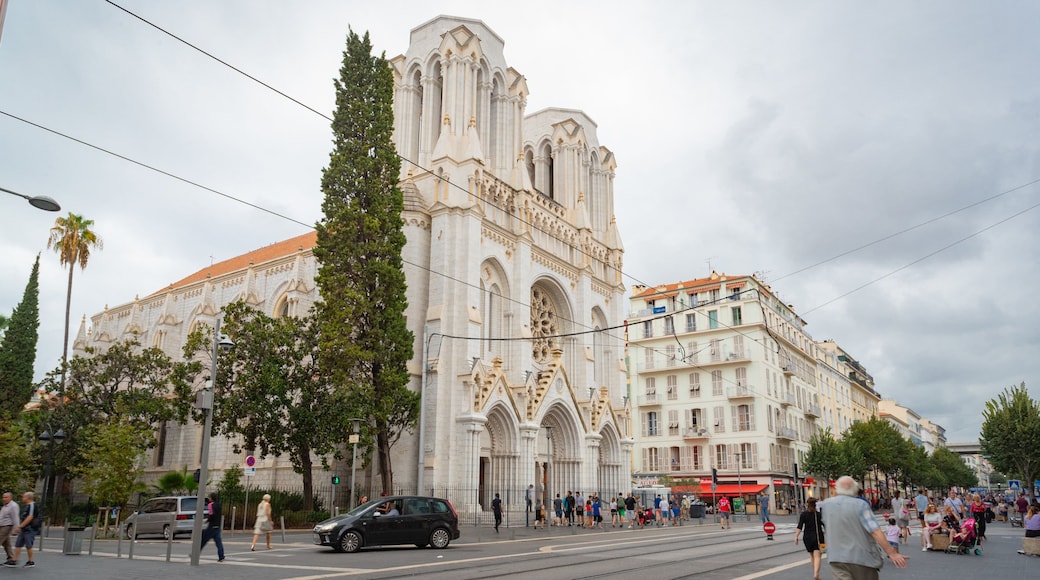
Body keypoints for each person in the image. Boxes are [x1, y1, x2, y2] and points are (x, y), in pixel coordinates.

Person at [821, 476, 907, 579]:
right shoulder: (860, 505)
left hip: (836, 558)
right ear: (855, 489)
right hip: (862, 558)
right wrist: (891, 553)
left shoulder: (826, 505)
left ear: (837, 488)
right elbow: (875, 531)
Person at [794, 497, 825, 580]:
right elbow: (825, 525)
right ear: (815, 505)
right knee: (818, 556)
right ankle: (816, 574)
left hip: (807, 537)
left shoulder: (803, 514)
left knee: (812, 555)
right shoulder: (819, 514)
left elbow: (799, 526)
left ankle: (815, 572)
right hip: (819, 537)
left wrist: (796, 536)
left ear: (806, 504)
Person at [10, 492, 40, 569]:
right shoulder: (27, 506)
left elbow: (30, 517)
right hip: (24, 529)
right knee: (18, 544)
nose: (22, 498)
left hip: (30, 528)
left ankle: (31, 561)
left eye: (24, 497)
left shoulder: (32, 505)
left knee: (29, 545)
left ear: (28, 498)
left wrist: (20, 526)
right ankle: (14, 560)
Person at [199, 492, 225, 562]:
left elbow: (211, 515)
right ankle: (221, 556)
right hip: (217, 526)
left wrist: (207, 520)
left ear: (211, 498)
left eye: (209, 497)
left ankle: (196, 553)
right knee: (218, 542)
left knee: (203, 540)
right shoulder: (219, 505)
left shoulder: (210, 505)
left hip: (211, 526)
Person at [0, 492, 18, 567]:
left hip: (7, 526)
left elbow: (15, 518)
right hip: (2, 525)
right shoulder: (5, 505)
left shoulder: (13, 506)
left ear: (10, 497)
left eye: (6, 497)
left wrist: (16, 529)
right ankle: (11, 559)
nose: (4, 499)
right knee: (6, 543)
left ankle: (11, 559)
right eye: (3, 497)